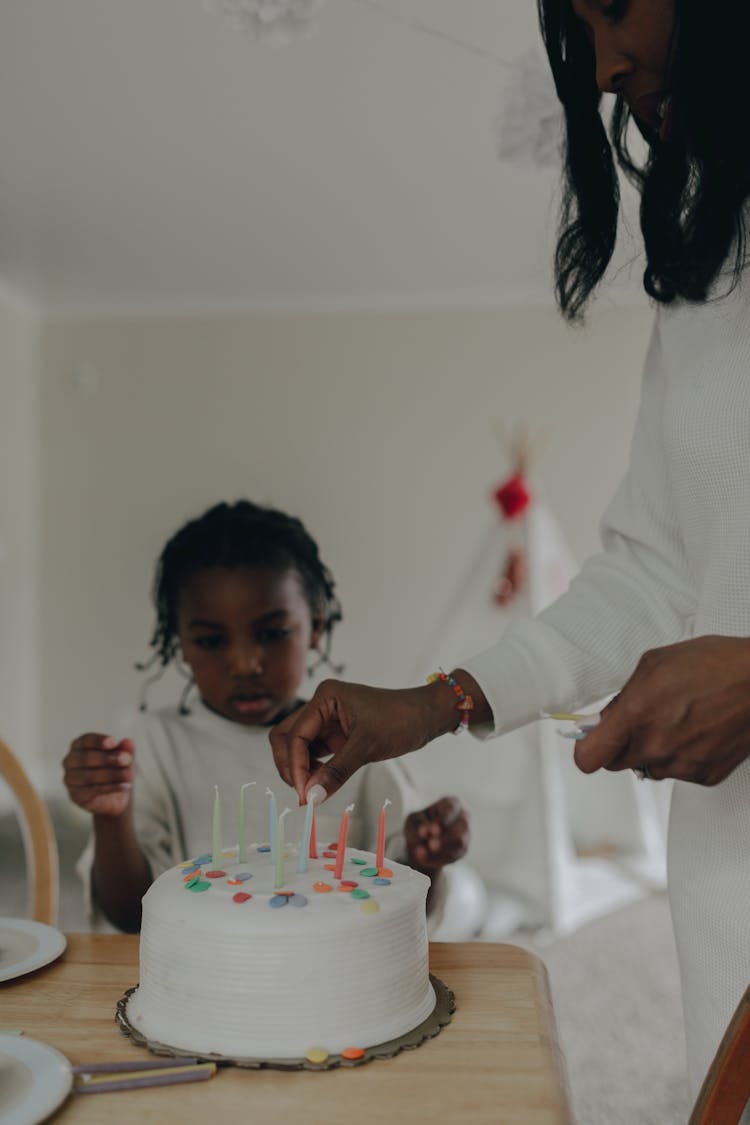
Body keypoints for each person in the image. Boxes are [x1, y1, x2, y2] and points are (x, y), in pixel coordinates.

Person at [270, 0, 750, 1108]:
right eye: (577, 26)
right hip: (728, 883)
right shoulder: (708, 275)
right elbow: (652, 571)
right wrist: (440, 700)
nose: (597, 68)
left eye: (618, 6)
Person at [63, 500, 469, 935]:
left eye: (272, 634)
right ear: (181, 644)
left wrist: (427, 857)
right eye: (211, 640)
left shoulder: (358, 735)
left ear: (314, 627)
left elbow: (407, 903)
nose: (244, 663)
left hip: (331, 978)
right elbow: (129, 915)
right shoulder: (158, 743)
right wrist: (109, 816)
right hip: (203, 981)